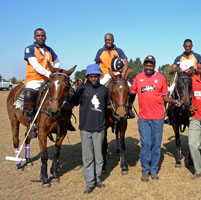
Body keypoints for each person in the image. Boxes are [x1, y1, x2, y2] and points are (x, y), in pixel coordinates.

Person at [131, 55, 180, 182]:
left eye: (151, 65)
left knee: (156, 145)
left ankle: (154, 170)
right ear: (144, 65)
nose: (149, 67)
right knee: (146, 144)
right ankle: (145, 170)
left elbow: (164, 97)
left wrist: (173, 101)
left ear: (154, 66)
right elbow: (131, 93)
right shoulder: (138, 77)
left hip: (158, 118)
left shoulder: (160, 78)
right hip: (143, 118)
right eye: (147, 65)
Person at [69, 64, 109, 194]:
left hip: (99, 128)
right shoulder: (81, 89)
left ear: (99, 76)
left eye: (96, 76)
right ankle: (90, 183)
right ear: (87, 77)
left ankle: (97, 179)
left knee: (99, 157)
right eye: (91, 76)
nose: (93, 79)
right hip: (85, 128)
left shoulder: (104, 90)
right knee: (87, 158)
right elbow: (72, 103)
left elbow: (108, 105)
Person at [23, 28, 62, 138]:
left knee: (63, 91)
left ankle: (66, 121)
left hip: (48, 79)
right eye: (38, 35)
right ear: (34, 37)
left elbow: (57, 61)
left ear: (46, 37)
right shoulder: (30, 49)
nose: (41, 37)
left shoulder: (49, 49)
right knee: (29, 94)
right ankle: (31, 124)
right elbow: (35, 66)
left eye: (43, 35)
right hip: (34, 79)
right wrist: (49, 73)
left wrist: (56, 70)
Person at [94, 33, 135, 119]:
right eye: (106, 40)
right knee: (97, 90)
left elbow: (125, 62)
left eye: (109, 40)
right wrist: (99, 73)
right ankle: (98, 110)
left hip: (118, 74)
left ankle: (129, 108)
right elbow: (97, 63)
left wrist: (123, 73)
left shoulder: (119, 50)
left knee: (131, 89)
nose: (108, 41)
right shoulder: (100, 51)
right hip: (105, 75)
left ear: (113, 40)